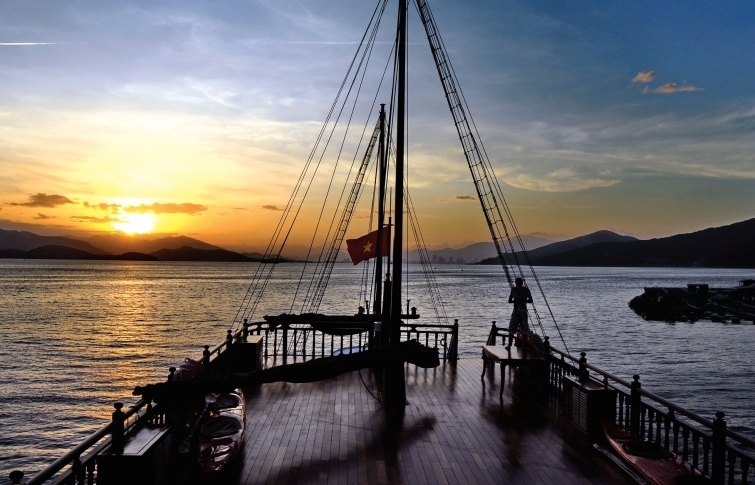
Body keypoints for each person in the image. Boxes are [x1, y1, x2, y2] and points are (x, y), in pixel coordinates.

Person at [508, 277, 532, 346]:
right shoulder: (526, 290)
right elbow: (531, 300)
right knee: (524, 329)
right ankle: (524, 346)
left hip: (516, 310)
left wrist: (516, 300)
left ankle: (509, 345)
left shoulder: (514, 289)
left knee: (511, 329)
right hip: (523, 311)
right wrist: (524, 300)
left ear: (516, 283)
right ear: (522, 283)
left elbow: (509, 301)